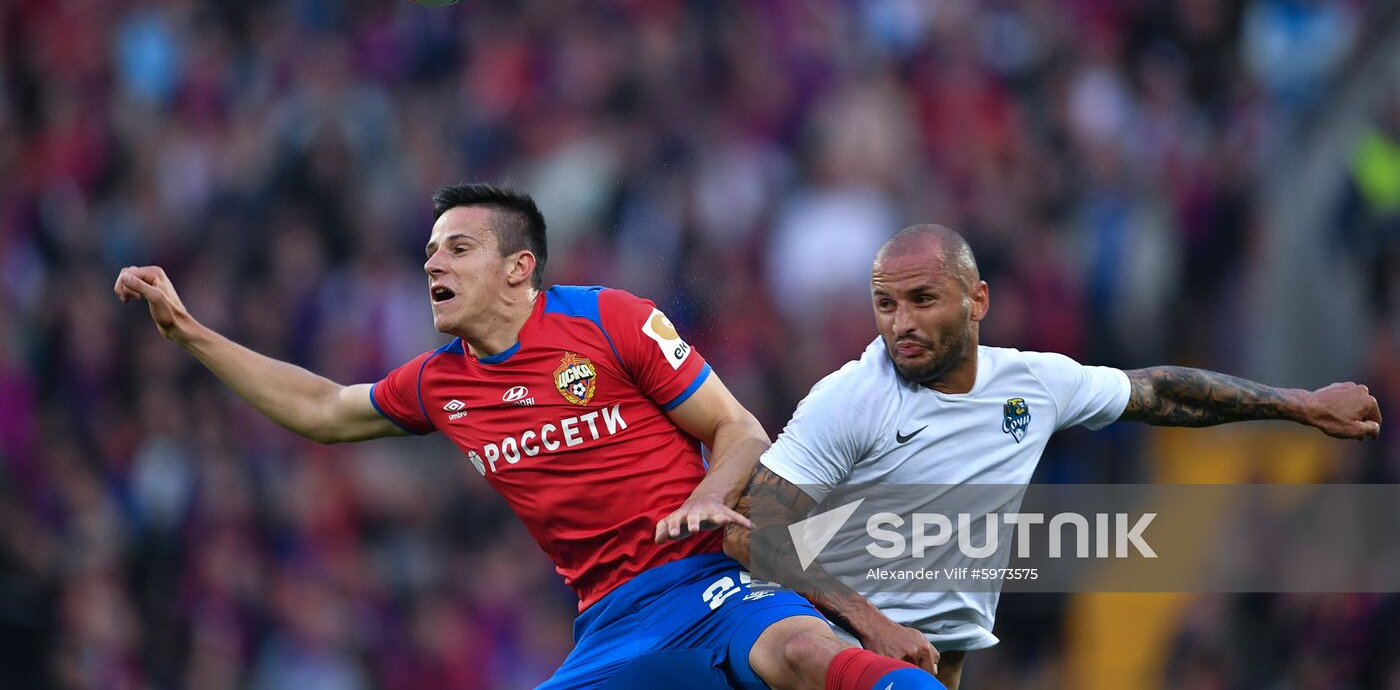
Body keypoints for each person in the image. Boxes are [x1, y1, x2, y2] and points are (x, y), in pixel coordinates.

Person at [114, 183, 944, 690]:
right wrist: (189, 332)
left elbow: (739, 429)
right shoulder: (442, 382)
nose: (433, 265)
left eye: (459, 249)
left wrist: (704, 497)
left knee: (805, 654)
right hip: (611, 629)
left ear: (519, 267)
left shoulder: (610, 320)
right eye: (430, 251)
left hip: (709, 580)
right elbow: (325, 408)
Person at [723, 223, 1383, 690]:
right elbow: (751, 527)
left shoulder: (1031, 385)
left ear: (977, 300)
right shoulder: (850, 399)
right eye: (886, 304)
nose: (901, 323)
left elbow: (1160, 394)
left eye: (922, 299)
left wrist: (1294, 403)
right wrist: (873, 625)